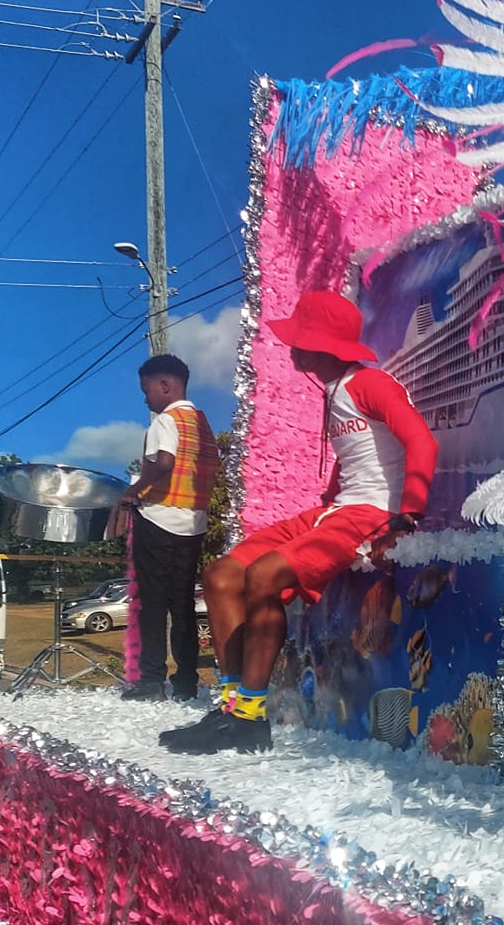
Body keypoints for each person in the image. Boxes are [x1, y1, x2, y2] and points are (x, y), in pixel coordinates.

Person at [160, 290, 436, 755]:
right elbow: (356, 458)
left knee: (264, 576)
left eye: (300, 336)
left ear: (320, 344)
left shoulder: (372, 384)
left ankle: (249, 717)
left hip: (369, 515)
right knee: (220, 575)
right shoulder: (335, 390)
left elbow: (422, 443)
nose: (291, 344)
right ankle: (230, 707)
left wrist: (407, 516)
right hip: (335, 510)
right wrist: (329, 498)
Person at [115, 354, 218, 701]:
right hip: (194, 523)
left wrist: (134, 491)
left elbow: (165, 462)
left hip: (159, 518)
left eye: (147, 391)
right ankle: (186, 681)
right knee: (183, 605)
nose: (145, 399)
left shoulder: (165, 420)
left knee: (153, 604)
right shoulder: (202, 423)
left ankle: (151, 681)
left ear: (165, 386)